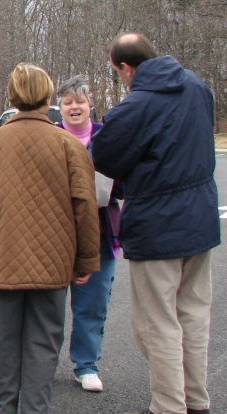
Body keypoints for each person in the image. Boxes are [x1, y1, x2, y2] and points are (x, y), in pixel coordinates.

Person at [0, 63, 100, 414]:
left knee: (6, 343)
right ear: (48, 97)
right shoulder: (68, 145)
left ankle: (2, 409)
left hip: (4, 257)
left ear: (12, 97)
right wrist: (86, 259)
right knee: (45, 343)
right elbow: (85, 207)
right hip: (53, 261)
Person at [92, 33, 220, 414]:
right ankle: (196, 400)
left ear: (126, 68)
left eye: (117, 73)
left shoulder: (135, 107)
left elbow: (107, 157)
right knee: (194, 316)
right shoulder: (199, 88)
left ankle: (168, 405)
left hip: (157, 224)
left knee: (159, 325)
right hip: (200, 220)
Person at [55, 75, 121, 393]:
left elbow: (125, 179)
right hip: (55, 235)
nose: (74, 107)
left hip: (100, 234)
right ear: (59, 107)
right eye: (68, 102)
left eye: (79, 101)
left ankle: (86, 364)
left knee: (92, 304)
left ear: (90, 104)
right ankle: (42, 363)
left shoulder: (106, 137)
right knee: (49, 305)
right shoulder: (50, 137)